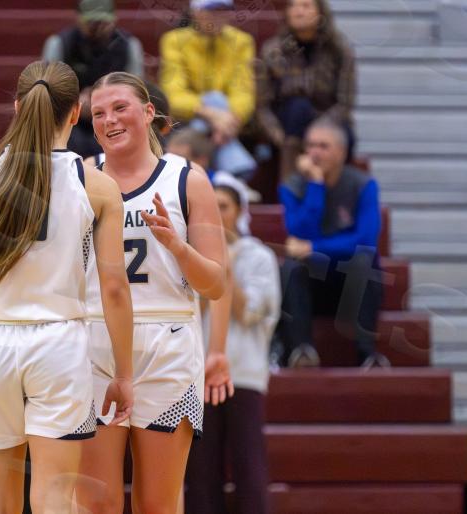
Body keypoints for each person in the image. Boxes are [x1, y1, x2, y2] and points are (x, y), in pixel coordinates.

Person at [0, 60, 134, 514]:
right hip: (59, 345)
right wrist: (123, 373)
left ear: (18, 107)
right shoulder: (98, 186)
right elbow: (115, 289)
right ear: (75, 113)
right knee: (54, 498)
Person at [76, 71, 228, 514]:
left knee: (157, 505)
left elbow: (215, 284)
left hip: (168, 342)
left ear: (147, 113)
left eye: (120, 108)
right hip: (95, 340)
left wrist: (178, 247)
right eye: (98, 113)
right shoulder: (79, 177)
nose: (109, 119)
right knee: (96, 503)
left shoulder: (187, 179)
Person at [185, 172, 281, 514]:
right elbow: (187, 313)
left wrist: (224, 267)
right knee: (200, 468)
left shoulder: (258, 256)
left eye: (223, 206)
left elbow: (250, 313)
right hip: (198, 373)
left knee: (249, 465)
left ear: (239, 210)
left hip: (243, 372)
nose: (216, 213)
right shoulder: (190, 254)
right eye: (211, 206)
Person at [278, 118, 387, 368]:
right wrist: (315, 185)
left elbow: (366, 240)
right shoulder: (292, 186)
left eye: (323, 146)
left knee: (364, 261)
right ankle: (301, 351)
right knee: (291, 267)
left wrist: (315, 248)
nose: (314, 152)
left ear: (342, 152)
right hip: (314, 287)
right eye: (310, 145)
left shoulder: (363, 185)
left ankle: (367, 356)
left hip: (351, 287)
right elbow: (299, 232)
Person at [256, 0, 356, 179]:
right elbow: (262, 105)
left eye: (305, 6)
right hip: (287, 125)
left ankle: (334, 190)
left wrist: (318, 133)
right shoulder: (273, 50)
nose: (298, 11)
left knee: (346, 136)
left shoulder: (339, 49)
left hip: (329, 119)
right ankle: (291, 188)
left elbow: (345, 103)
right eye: (292, 6)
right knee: (298, 107)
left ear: (320, 12)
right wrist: (277, 135)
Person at [159, 0, 256, 178]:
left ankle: (201, 177)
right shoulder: (174, 40)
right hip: (186, 119)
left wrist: (227, 121)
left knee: (216, 99)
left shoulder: (242, 41)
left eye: (223, 10)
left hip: (227, 122)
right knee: (214, 100)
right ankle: (233, 174)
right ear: (195, 12)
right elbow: (173, 95)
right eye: (212, 11)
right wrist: (210, 114)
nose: (218, 17)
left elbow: (243, 92)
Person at [43, 0, 144, 157]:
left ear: (114, 19)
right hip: (70, 119)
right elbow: (48, 91)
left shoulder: (129, 45)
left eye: (102, 22)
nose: (97, 26)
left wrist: (104, 102)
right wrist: (74, 102)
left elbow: (136, 91)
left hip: (115, 116)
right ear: (78, 19)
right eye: (91, 22)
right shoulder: (60, 43)